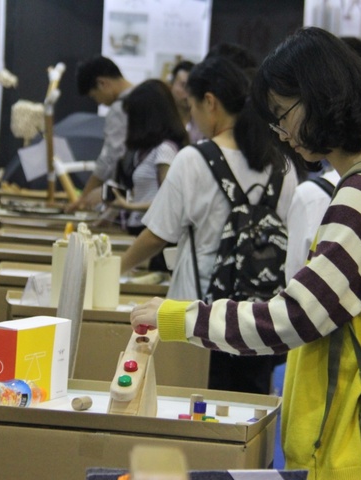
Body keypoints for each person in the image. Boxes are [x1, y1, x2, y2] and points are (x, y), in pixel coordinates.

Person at [130, 27, 361, 479]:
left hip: (341, 446)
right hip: (348, 438)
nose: (281, 133)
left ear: (319, 98)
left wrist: (180, 317)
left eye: (282, 115)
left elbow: (295, 317)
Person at [120, 55, 298, 394]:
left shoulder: (193, 159)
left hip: (198, 316)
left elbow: (156, 235)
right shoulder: (281, 165)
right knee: (248, 412)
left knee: (192, 409)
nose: (193, 118)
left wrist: (116, 268)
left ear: (210, 102)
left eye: (192, 107)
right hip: (259, 318)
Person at [107, 79, 187, 271]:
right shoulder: (146, 151)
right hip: (141, 229)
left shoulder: (164, 150)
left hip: (154, 236)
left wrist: (129, 205)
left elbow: (169, 203)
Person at [66, 56, 134, 212]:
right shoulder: (147, 97)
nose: (98, 102)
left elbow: (110, 156)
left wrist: (84, 197)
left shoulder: (120, 108)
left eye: (94, 96)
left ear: (102, 83)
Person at [168, 59, 204, 144]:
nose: (188, 92)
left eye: (192, 87)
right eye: (183, 85)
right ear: (171, 85)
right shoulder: (163, 120)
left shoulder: (202, 122)